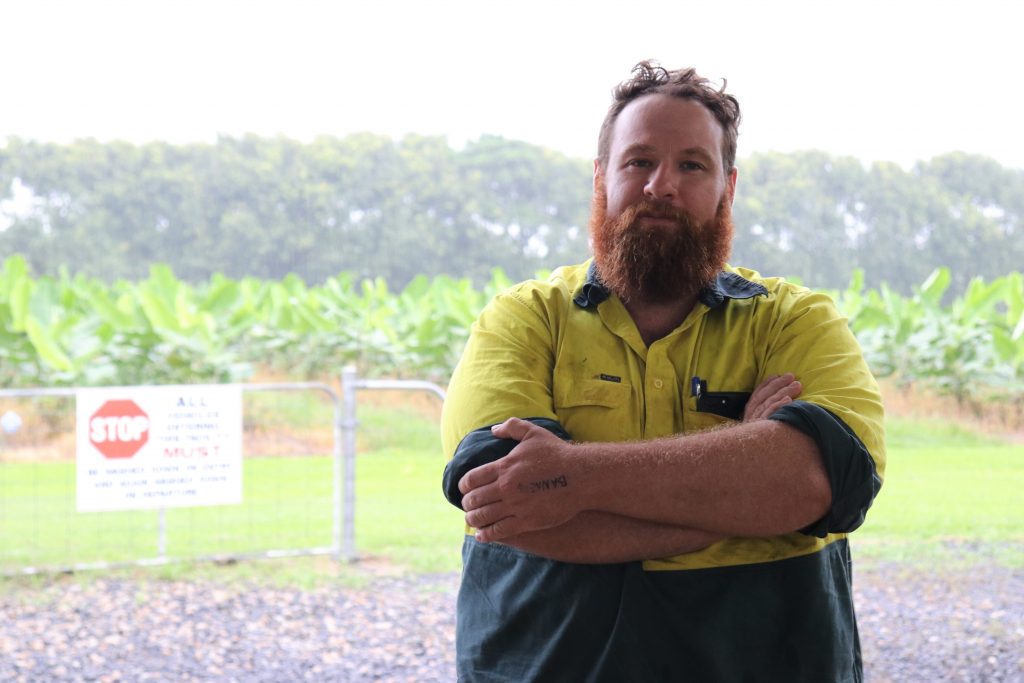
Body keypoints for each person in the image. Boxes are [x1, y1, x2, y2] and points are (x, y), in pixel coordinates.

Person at [440, 61, 885, 682]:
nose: (661, 186)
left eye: (691, 165)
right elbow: (503, 504)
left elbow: (817, 485)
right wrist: (741, 479)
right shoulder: (525, 320)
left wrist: (571, 476)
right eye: (638, 161)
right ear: (601, 178)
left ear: (728, 186)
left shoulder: (795, 321)